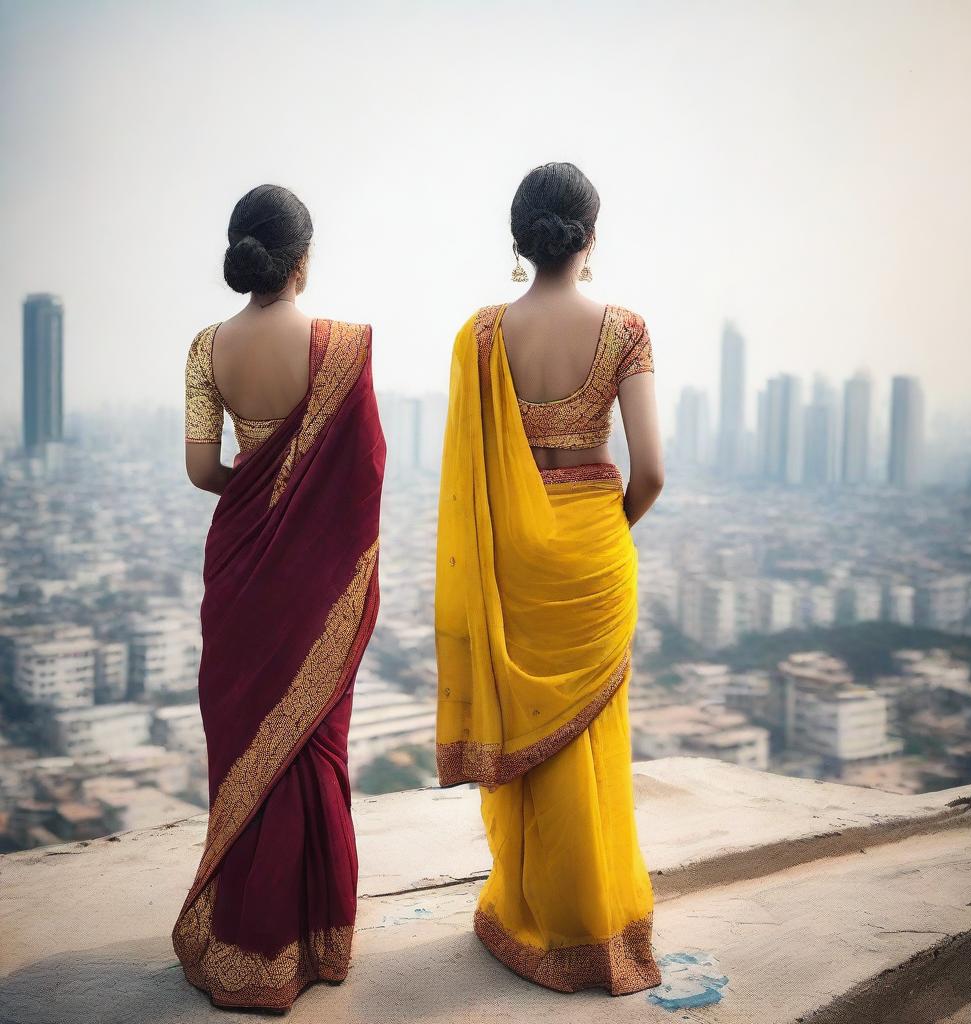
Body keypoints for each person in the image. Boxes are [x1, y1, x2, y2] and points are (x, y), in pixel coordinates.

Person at [434, 162, 664, 995]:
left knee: (534, 737)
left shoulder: (483, 336)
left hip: (516, 560)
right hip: (596, 550)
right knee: (593, 735)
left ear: (518, 239)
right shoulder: (626, 330)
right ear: (591, 238)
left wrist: (534, 539)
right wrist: (604, 529)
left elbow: (472, 483)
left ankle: (537, 915)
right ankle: (599, 919)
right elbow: (653, 471)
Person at [172, 184, 385, 1011]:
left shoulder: (205, 348)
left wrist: (259, 494)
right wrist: (303, 516)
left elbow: (202, 471)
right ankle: (316, 942)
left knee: (246, 750)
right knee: (311, 749)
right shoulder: (342, 348)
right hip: (314, 585)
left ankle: (242, 938)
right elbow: (363, 476)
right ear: (303, 259)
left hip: (240, 574)